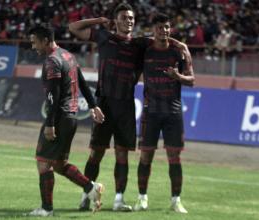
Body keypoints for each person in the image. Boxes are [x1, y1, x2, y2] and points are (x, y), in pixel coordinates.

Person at [69, 2, 193, 212]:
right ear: (116, 20)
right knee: (96, 153)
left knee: (122, 154)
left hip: (126, 104)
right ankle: (86, 194)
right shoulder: (103, 37)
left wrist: (181, 44)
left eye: (132, 18)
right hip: (104, 103)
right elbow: (74, 28)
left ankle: (118, 200)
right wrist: (99, 21)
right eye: (125, 17)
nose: (129, 21)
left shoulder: (139, 44)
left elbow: (161, 37)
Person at [27, 25, 105, 217]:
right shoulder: (68, 56)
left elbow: (54, 96)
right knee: (59, 164)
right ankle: (90, 187)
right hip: (72, 117)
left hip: (59, 118)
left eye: (34, 42)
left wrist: (50, 123)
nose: (33, 47)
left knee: (43, 163)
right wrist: (93, 105)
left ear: (45, 40)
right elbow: (82, 82)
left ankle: (46, 209)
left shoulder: (52, 61)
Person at [133, 13, 194, 214]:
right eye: (160, 27)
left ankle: (176, 200)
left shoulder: (179, 51)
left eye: (167, 27)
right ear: (154, 29)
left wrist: (177, 76)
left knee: (174, 157)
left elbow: (191, 80)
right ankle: (142, 199)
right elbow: (131, 41)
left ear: (170, 29)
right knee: (145, 156)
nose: (164, 31)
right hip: (151, 111)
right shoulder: (145, 49)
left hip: (173, 111)